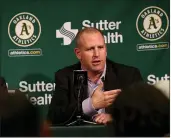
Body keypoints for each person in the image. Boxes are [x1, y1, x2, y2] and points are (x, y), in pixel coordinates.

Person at [47, 27, 143, 126]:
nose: (96, 54)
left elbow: (144, 112)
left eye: (100, 47)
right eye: (90, 49)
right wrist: (90, 105)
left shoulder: (128, 75)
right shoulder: (66, 76)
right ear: (78, 53)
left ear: (106, 50)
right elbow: (54, 117)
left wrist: (115, 118)